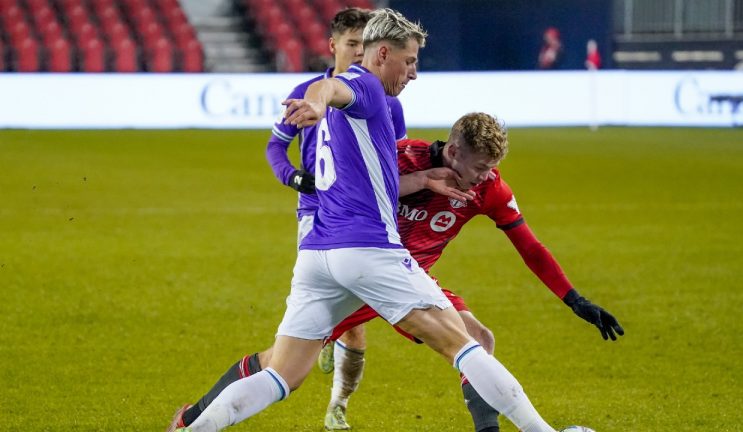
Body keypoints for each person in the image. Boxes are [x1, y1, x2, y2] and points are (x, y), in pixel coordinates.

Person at [172, 8, 608, 432]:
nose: (414, 72)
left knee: (282, 373)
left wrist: (421, 178)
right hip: (368, 249)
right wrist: (319, 102)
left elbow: (356, 144)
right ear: (382, 54)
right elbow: (333, 91)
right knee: (464, 343)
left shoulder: (363, 98)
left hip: (318, 252)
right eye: (411, 59)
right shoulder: (363, 88)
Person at [166, 8, 470, 430]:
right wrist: (294, 177)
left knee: (339, 336)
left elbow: (391, 166)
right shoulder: (309, 91)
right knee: (291, 354)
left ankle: (336, 408)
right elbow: (276, 147)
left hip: (366, 222)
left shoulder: (385, 101)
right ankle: (200, 415)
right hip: (317, 218)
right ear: (334, 46)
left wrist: (421, 181)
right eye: (351, 44)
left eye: (364, 44)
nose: (358, 51)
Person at [317, 112, 624, 432]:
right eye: (480, 167)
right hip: (355, 278)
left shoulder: (489, 189)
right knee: (285, 367)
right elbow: (339, 193)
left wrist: (575, 300)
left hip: (411, 281)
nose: (485, 177)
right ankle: (326, 347)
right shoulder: (402, 158)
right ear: (452, 153)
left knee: (479, 338)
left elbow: (530, 248)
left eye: (491, 168)